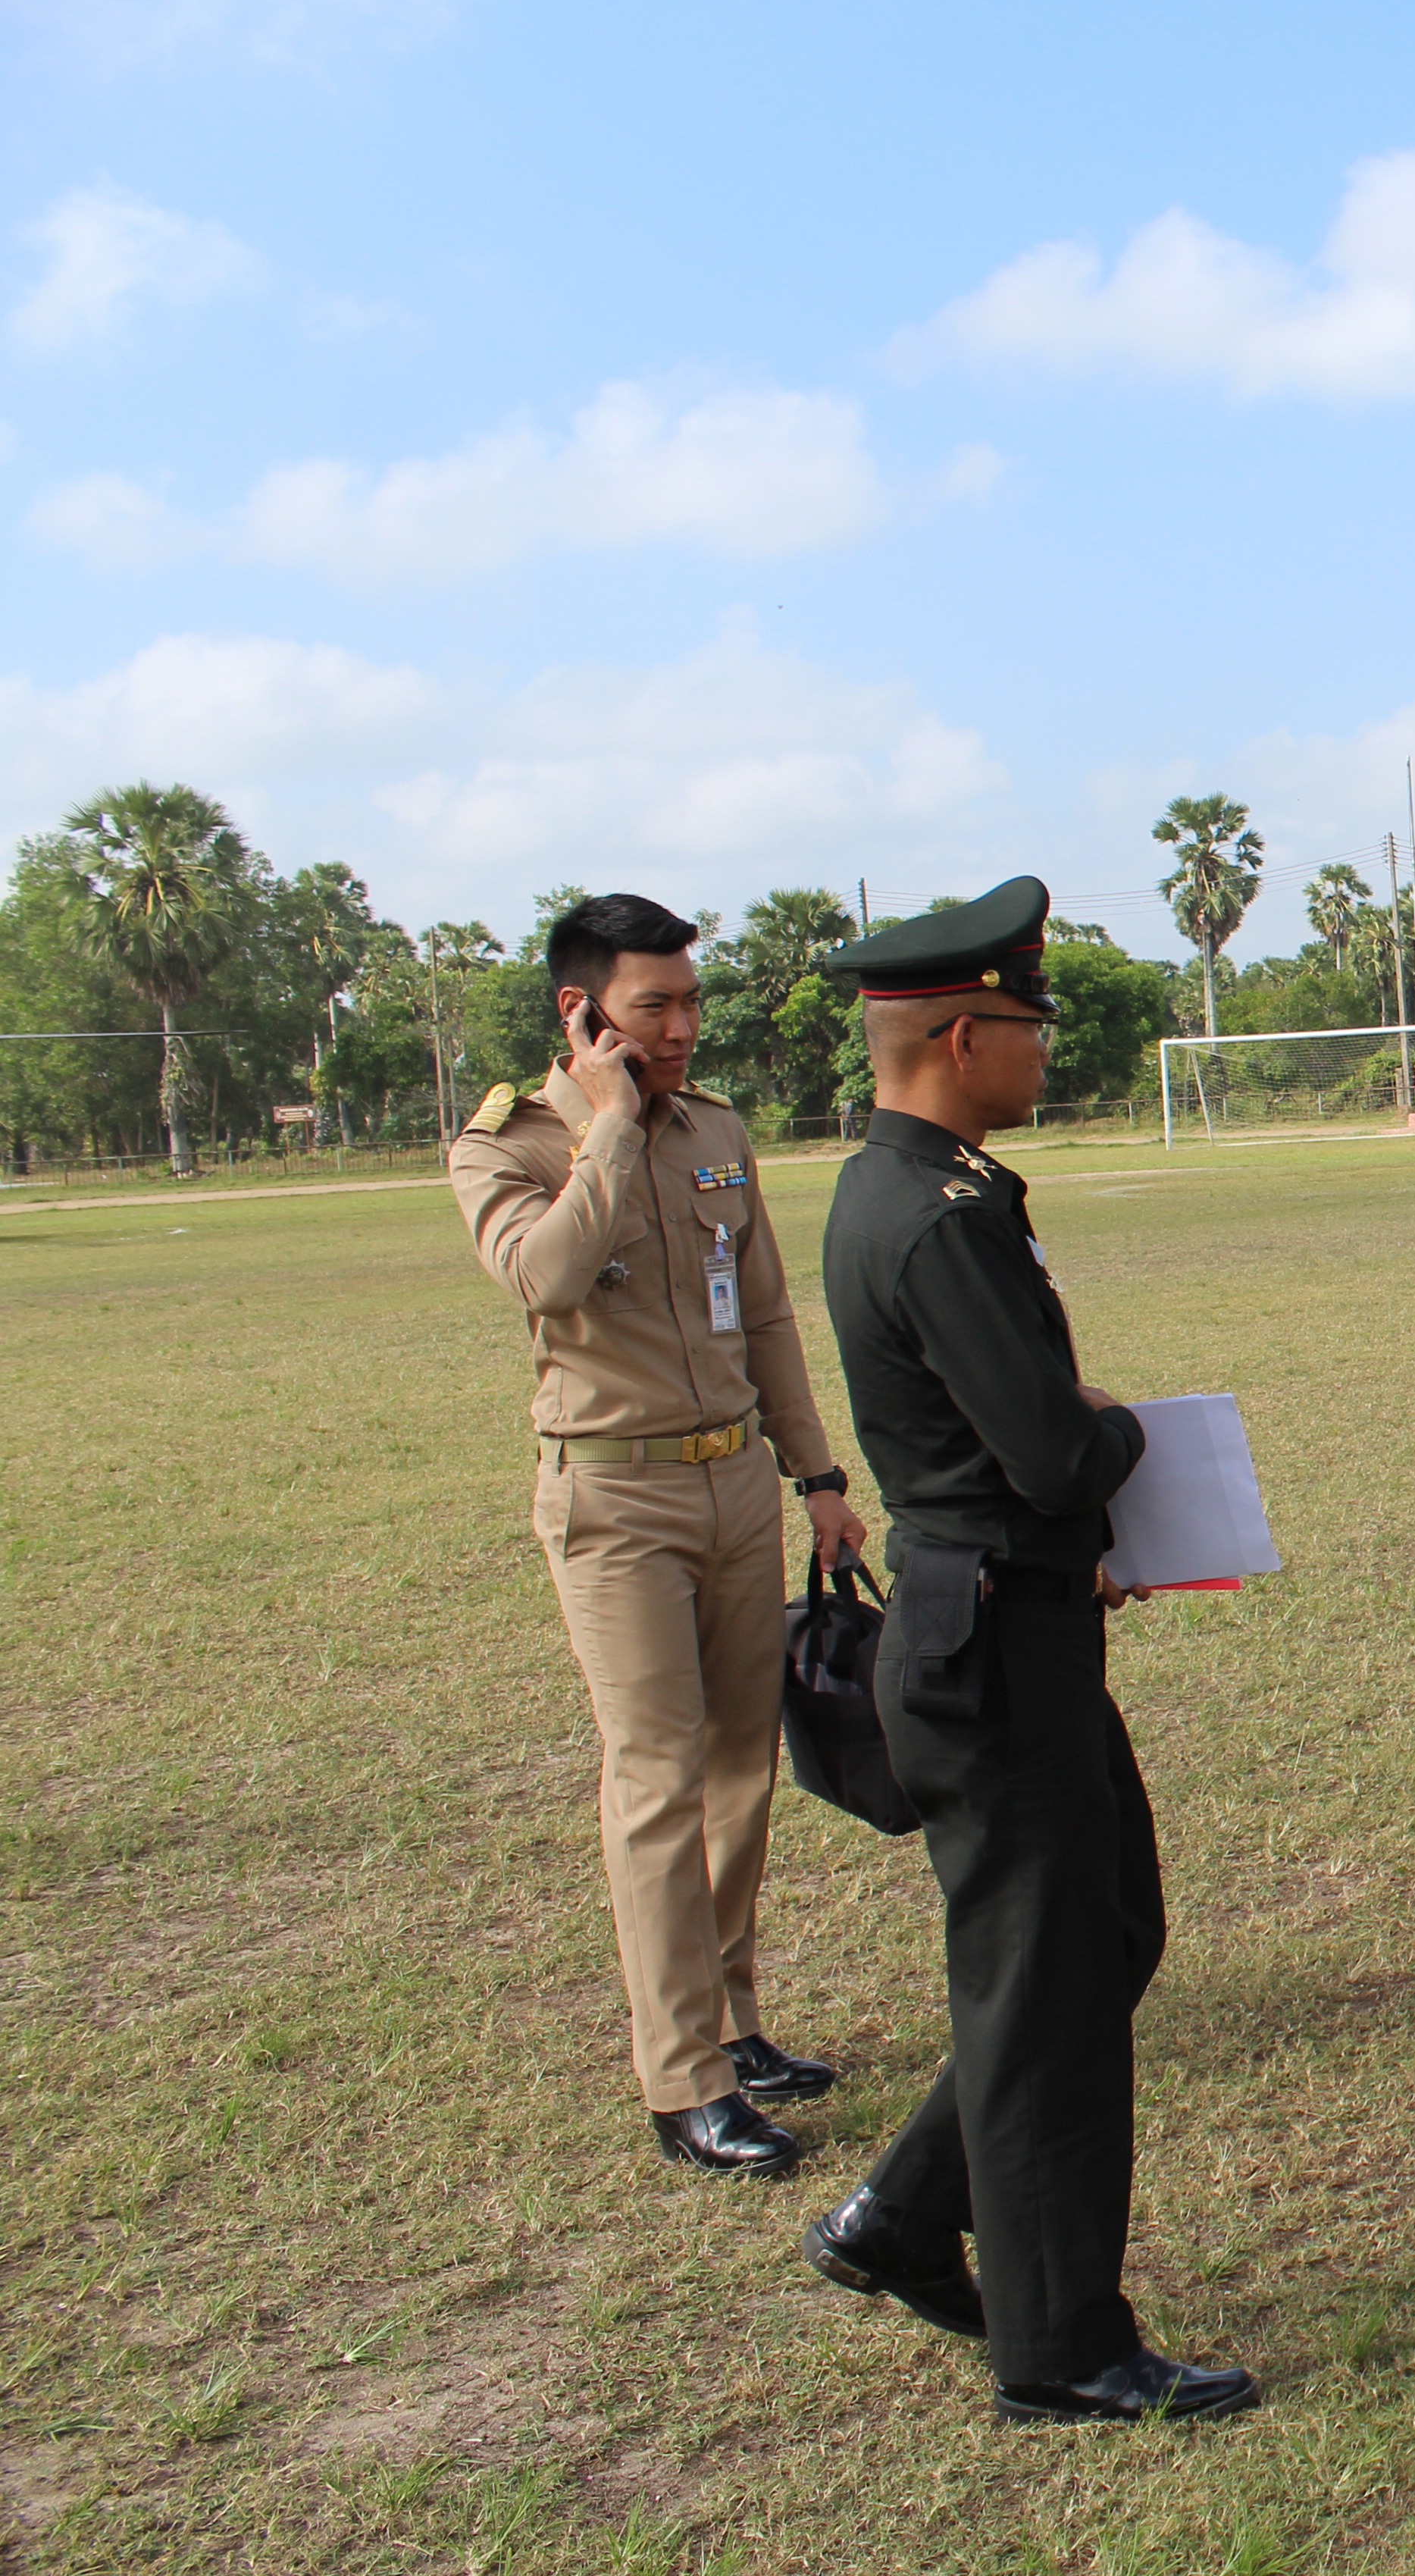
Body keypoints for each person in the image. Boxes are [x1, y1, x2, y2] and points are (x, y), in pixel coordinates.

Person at [800, 877, 1257, 2427]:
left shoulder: (919, 1190)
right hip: (994, 1644)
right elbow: (1059, 1459)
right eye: (1024, 1023)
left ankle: (905, 2217)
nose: (1042, 1048)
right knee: (1048, 1983)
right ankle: (1061, 2351)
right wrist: (1133, 1432)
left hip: (1007, 1620)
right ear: (952, 1032)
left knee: (1098, 1939)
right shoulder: (933, 1217)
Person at [450, 892, 869, 2176]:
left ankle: (735, 2027)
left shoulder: (720, 1132)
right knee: (654, 1781)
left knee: (740, 1771)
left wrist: (816, 1474)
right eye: (655, 1006)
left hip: (735, 1484)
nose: (683, 1026)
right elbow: (546, 1277)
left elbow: (771, 1320)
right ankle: (679, 2079)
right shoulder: (505, 1148)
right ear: (580, 1013)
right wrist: (612, 1127)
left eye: (690, 1000)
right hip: (612, 1496)